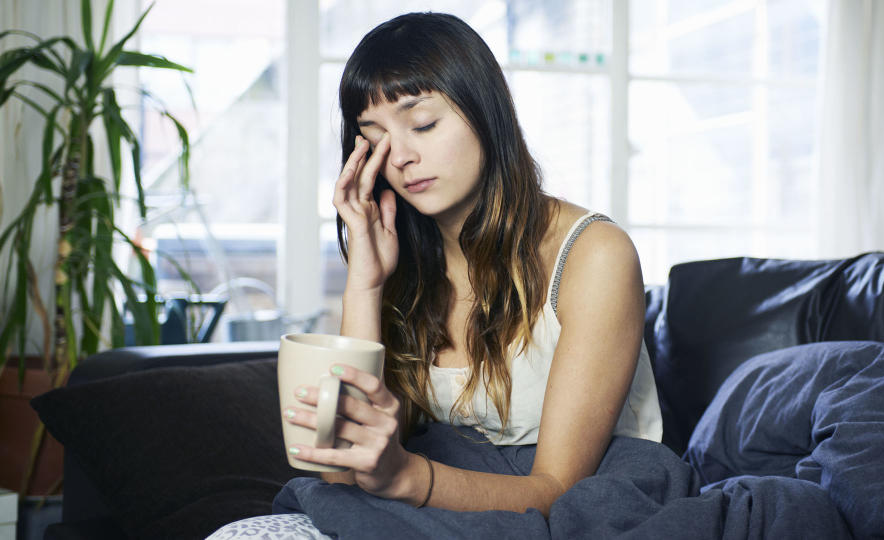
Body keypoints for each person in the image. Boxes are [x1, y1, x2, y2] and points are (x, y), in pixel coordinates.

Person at [209, 11, 661, 539]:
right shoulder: (405, 258)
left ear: (485, 112)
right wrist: (366, 284)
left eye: (422, 124)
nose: (400, 157)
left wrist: (405, 476)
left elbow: (556, 491)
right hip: (441, 500)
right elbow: (339, 464)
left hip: (572, 511)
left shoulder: (594, 255)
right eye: (374, 138)